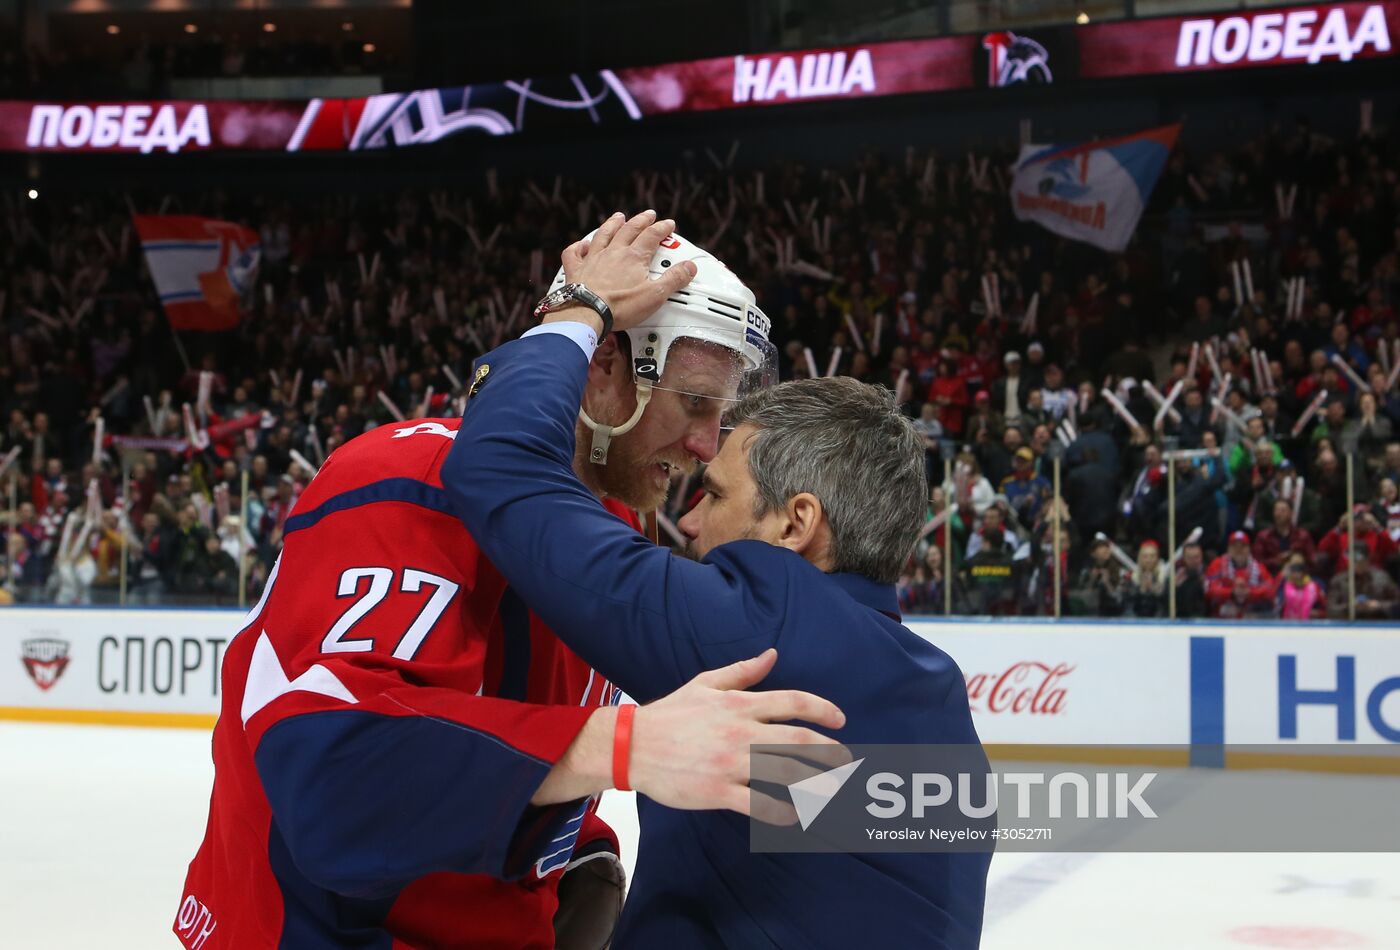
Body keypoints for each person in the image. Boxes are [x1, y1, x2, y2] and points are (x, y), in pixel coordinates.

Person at [174, 212, 842, 950]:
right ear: (604, 366)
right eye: (693, 403)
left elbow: (512, 735)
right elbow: (336, 784)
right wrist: (623, 747)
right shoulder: (406, 480)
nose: (705, 446)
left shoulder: (614, 525)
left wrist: (582, 851)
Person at [447, 228, 992, 948]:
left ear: (796, 523)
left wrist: (578, 314)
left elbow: (499, 472)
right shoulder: (929, 689)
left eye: (715, 493)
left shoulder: (771, 632)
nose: (690, 520)